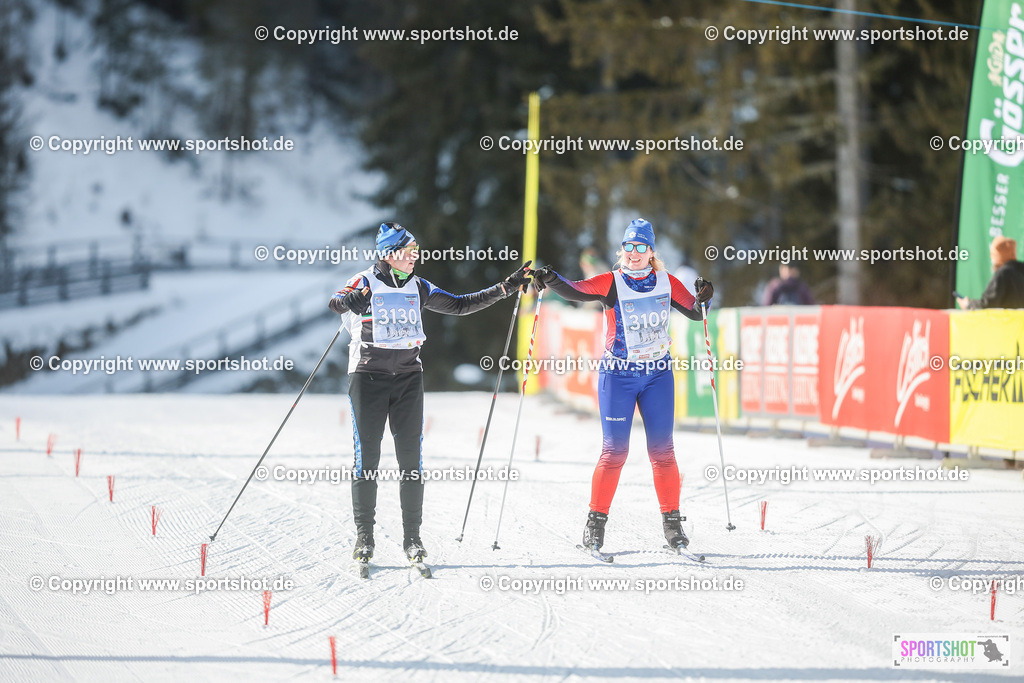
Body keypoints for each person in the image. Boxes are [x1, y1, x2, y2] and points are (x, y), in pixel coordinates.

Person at [329, 222, 532, 564]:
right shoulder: (365, 281)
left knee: (412, 462)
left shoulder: (419, 286)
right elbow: (336, 302)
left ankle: (413, 539)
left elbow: (461, 305)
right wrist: (349, 301)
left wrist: (506, 287)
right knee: (367, 460)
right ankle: (365, 538)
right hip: (367, 377)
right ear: (389, 254)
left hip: (408, 378)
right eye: (409, 252)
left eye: (416, 251)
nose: (415, 257)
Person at [532, 218, 713, 553]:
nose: (634, 253)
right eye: (628, 246)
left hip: (657, 375)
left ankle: (673, 526)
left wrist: (704, 297)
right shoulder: (612, 282)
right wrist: (551, 279)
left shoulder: (666, 282)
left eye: (641, 246)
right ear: (622, 250)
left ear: (651, 251)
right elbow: (577, 290)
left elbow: (696, 312)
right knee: (615, 451)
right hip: (618, 376)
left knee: (663, 452)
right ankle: (595, 525)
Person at [957, 236, 1024, 309]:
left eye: (993, 255)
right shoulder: (1019, 271)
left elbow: (987, 304)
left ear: (997, 255)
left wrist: (968, 305)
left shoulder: (1003, 273)